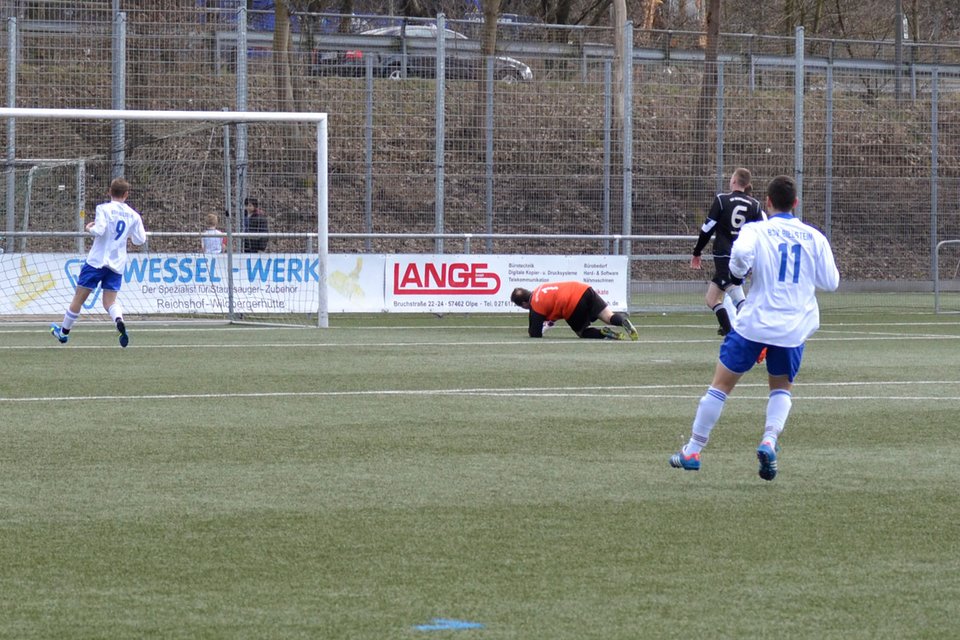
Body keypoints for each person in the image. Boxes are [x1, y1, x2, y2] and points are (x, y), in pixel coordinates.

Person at [669, 175, 839, 481]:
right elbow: (831, 282)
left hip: (755, 323)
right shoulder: (814, 237)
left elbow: (740, 259)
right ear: (796, 204)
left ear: (769, 203)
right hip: (792, 328)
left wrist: (736, 274)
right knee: (781, 389)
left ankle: (693, 450)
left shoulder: (756, 230)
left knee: (720, 386)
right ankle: (768, 441)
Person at [50, 177, 147, 348]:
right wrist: (127, 235)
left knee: (78, 299)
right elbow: (140, 240)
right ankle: (119, 320)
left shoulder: (103, 208)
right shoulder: (133, 215)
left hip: (97, 261)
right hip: (116, 264)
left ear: (109, 191)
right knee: (110, 302)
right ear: (126, 194)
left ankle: (63, 334)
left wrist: (89, 229)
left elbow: (100, 230)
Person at [691, 167, 764, 336]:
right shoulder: (755, 205)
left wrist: (697, 251)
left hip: (724, 254)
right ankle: (728, 329)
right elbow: (761, 233)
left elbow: (708, 228)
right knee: (711, 299)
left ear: (733, 181)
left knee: (736, 294)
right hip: (743, 256)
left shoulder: (722, 200)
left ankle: (756, 332)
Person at [510, 281, 638, 340]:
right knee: (608, 316)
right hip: (583, 288)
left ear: (524, 303)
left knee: (582, 332)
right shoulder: (540, 287)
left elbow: (535, 333)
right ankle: (623, 322)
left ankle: (604, 334)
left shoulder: (535, 305)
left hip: (572, 302)